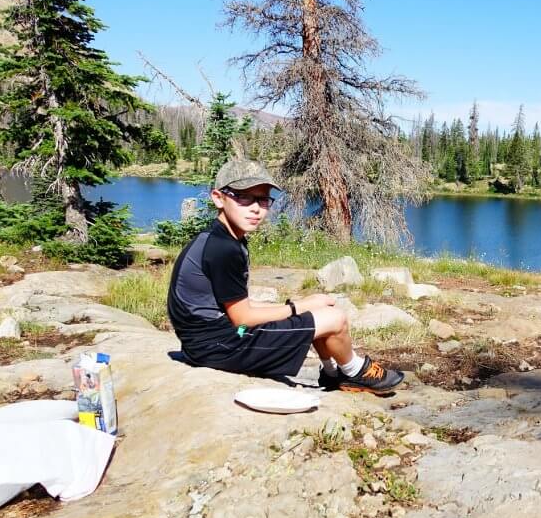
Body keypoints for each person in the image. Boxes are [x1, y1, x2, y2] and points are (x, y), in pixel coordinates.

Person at [167, 159, 404, 393]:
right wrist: (299, 306)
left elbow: (238, 306)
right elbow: (242, 319)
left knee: (315, 313)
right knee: (334, 319)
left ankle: (332, 374)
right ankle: (355, 372)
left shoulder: (223, 238)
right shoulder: (223, 248)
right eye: (243, 197)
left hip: (213, 340)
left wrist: (298, 307)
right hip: (222, 344)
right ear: (219, 197)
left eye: (263, 199)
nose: (256, 208)